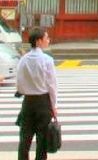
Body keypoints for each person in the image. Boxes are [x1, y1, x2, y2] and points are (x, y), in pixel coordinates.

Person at [16, 27, 57, 160]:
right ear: (39, 41)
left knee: (24, 140)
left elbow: (19, 84)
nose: (48, 40)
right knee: (42, 141)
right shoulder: (47, 60)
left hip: (28, 102)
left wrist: (26, 91)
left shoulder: (23, 60)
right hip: (43, 103)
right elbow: (52, 86)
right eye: (46, 38)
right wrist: (54, 106)